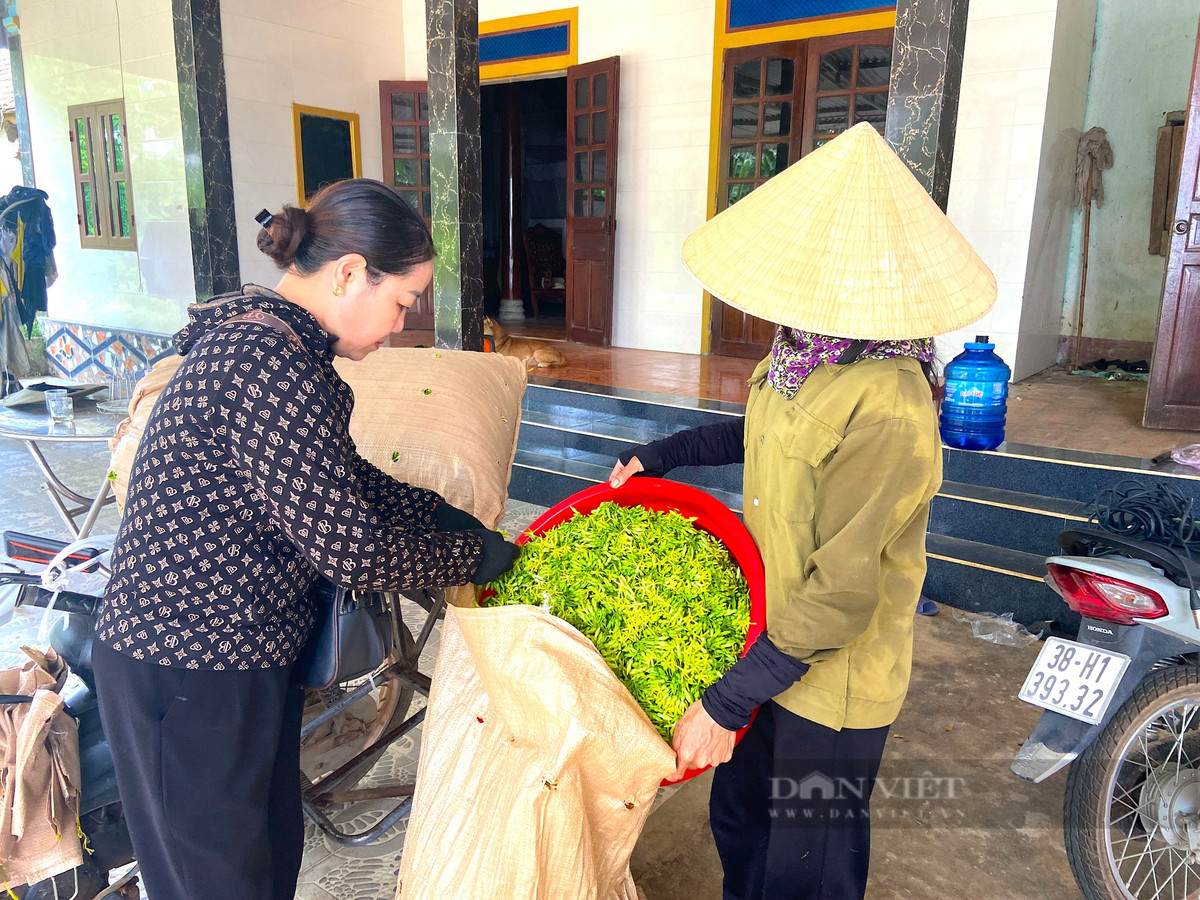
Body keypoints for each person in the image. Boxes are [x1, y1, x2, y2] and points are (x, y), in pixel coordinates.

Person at [91, 178, 518, 900]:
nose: (399, 326)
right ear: (351, 272)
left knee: (264, 857)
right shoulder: (265, 365)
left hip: (240, 657)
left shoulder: (281, 349)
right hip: (184, 663)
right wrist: (473, 555)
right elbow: (354, 550)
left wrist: (445, 515)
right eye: (402, 302)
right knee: (217, 881)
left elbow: (343, 479)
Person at [608, 124, 997, 900]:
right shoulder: (802, 351)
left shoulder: (888, 400)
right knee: (742, 823)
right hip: (768, 644)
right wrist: (664, 454)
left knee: (805, 864)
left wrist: (725, 701)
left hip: (831, 676)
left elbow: (843, 593)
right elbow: (763, 433)